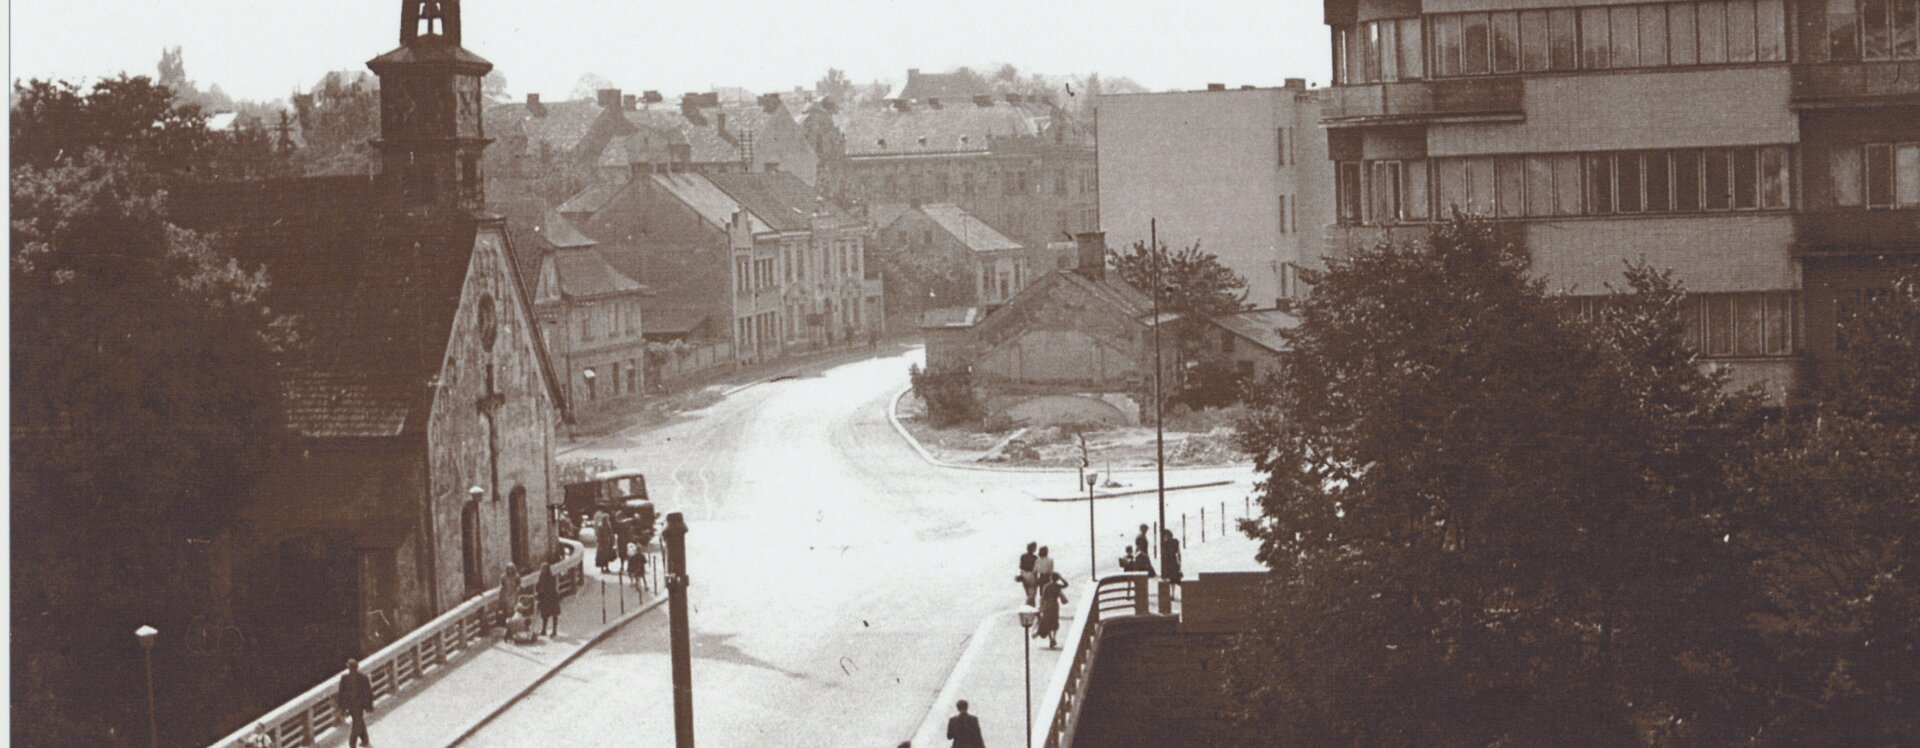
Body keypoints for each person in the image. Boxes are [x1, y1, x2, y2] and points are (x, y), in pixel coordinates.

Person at [337, 658, 375, 747]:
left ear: (356, 668)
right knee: (359, 721)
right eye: (350, 668)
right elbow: (341, 694)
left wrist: (369, 706)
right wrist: (342, 708)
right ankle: (365, 740)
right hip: (350, 706)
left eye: (353, 667)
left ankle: (352, 743)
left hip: (360, 705)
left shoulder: (363, 678)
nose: (352, 669)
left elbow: (368, 692)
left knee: (357, 723)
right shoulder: (344, 678)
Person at [1034, 573, 1069, 649]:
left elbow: (1043, 597)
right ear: (1057, 579)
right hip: (1055, 605)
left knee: (1047, 622)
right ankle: (1054, 637)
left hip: (1047, 605)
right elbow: (1066, 584)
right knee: (1055, 621)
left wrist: (1041, 606)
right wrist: (1061, 577)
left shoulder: (1046, 586)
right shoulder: (1057, 586)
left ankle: (1051, 639)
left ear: (1050, 578)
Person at [536, 564, 561, 637]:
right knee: (544, 615)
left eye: (543, 569)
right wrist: (538, 593)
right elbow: (538, 586)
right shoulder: (541, 577)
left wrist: (542, 592)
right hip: (544, 598)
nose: (542, 570)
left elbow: (551, 588)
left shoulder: (551, 578)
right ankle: (544, 630)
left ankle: (554, 631)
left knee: (554, 615)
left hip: (552, 598)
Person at [497, 563, 520, 630]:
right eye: (508, 569)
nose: (510, 571)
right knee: (506, 609)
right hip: (506, 594)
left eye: (511, 569)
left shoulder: (516, 576)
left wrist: (516, 588)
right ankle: (508, 625)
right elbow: (501, 585)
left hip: (513, 594)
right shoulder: (503, 577)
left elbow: (519, 584)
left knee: (513, 609)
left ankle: (513, 624)